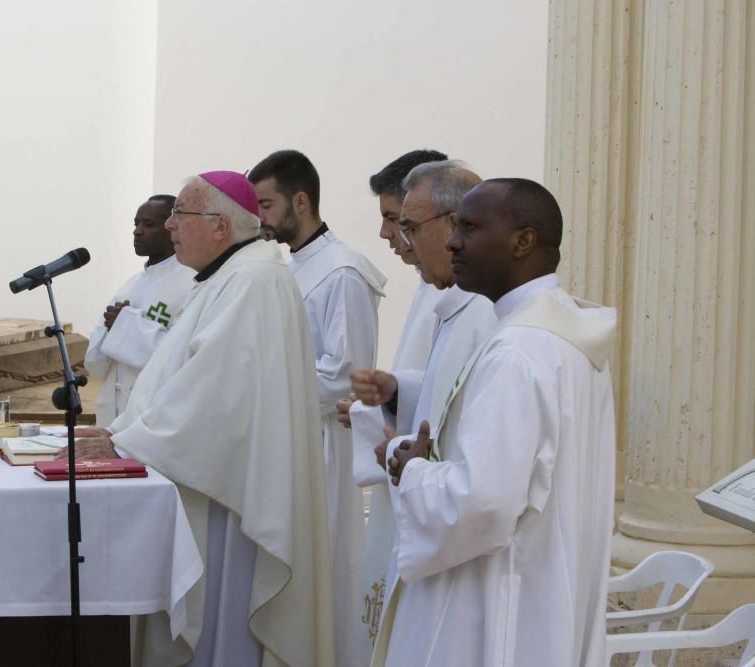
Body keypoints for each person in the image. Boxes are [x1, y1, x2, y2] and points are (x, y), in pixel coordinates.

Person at [68, 171, 335, 667]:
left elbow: (213, 400)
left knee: (223, 625)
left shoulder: (253, 281)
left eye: (180, 215)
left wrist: (127, 444)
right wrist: (122, 433)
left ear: (218, 226)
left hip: (229, 497)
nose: (170, 226)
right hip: (211, 482)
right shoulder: (230, 275)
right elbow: (182, 378)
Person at [369, 179, 617, 666]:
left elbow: (481, 503)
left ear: (522, 241)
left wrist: (411, 468)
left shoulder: (518, 352)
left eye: (470, 227)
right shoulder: (561, 333)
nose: (454, 241)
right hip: (544, 589)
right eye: (455, 226)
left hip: (496, 604)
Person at [347, 160, 496, 644]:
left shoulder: (485, 310)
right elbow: (442, 387)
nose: (399, 239)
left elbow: (472, 441)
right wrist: (398, 393)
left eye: (407, 225)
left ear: (454, 224)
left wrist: (410, 460)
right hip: (420, 490)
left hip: (450, 523)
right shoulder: (445, 294)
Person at [249, 149, 385, 667]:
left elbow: (346, 372)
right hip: (291, 437)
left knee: (323, 569)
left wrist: (264, 384)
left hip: (325, 443)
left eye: (266, 204)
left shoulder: (343, 273)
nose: (258, 216)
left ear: (300, 201)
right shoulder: (294, 266)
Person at [84, 195, 196, 427]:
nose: (138, 231)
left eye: (149, 224)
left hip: (152, 416)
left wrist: (125, 325)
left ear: (172, 228)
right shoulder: (131, 284)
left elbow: (180, 355)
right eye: (136, 224)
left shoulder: (191, 282)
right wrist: (112, 327)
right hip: (113, 410)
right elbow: (95, 362)